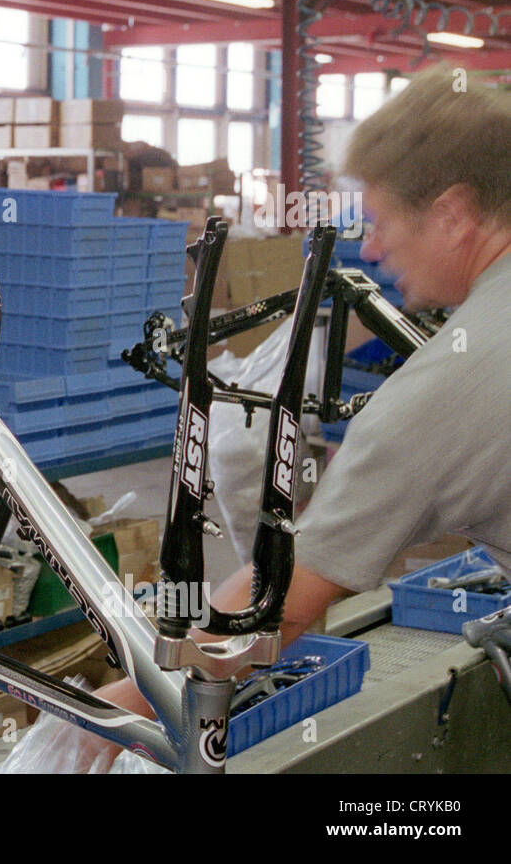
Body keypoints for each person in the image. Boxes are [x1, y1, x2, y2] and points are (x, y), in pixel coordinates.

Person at [82, 62, 511, 764]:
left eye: (379, 221)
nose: (370, 248)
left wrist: (96, 721)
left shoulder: (443, 390)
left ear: (454, 214)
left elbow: (268, 612)